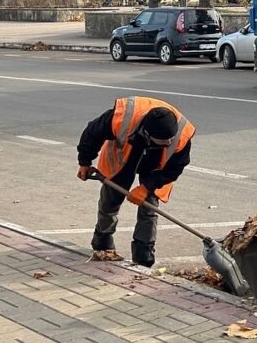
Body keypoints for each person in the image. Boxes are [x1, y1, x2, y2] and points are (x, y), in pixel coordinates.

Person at [76, 96, 194, 266]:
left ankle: (143, 255)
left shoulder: (181, 135)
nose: (169, 143)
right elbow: (92, 133)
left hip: (156, 166)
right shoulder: (122, 117)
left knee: (149, 206)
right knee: (110, 200)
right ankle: (102, 242)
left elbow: (175, 168)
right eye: (163, 141)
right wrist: (85, 162)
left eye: (170, 139)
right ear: (147, 132)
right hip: (125, 153)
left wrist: (146, 187)